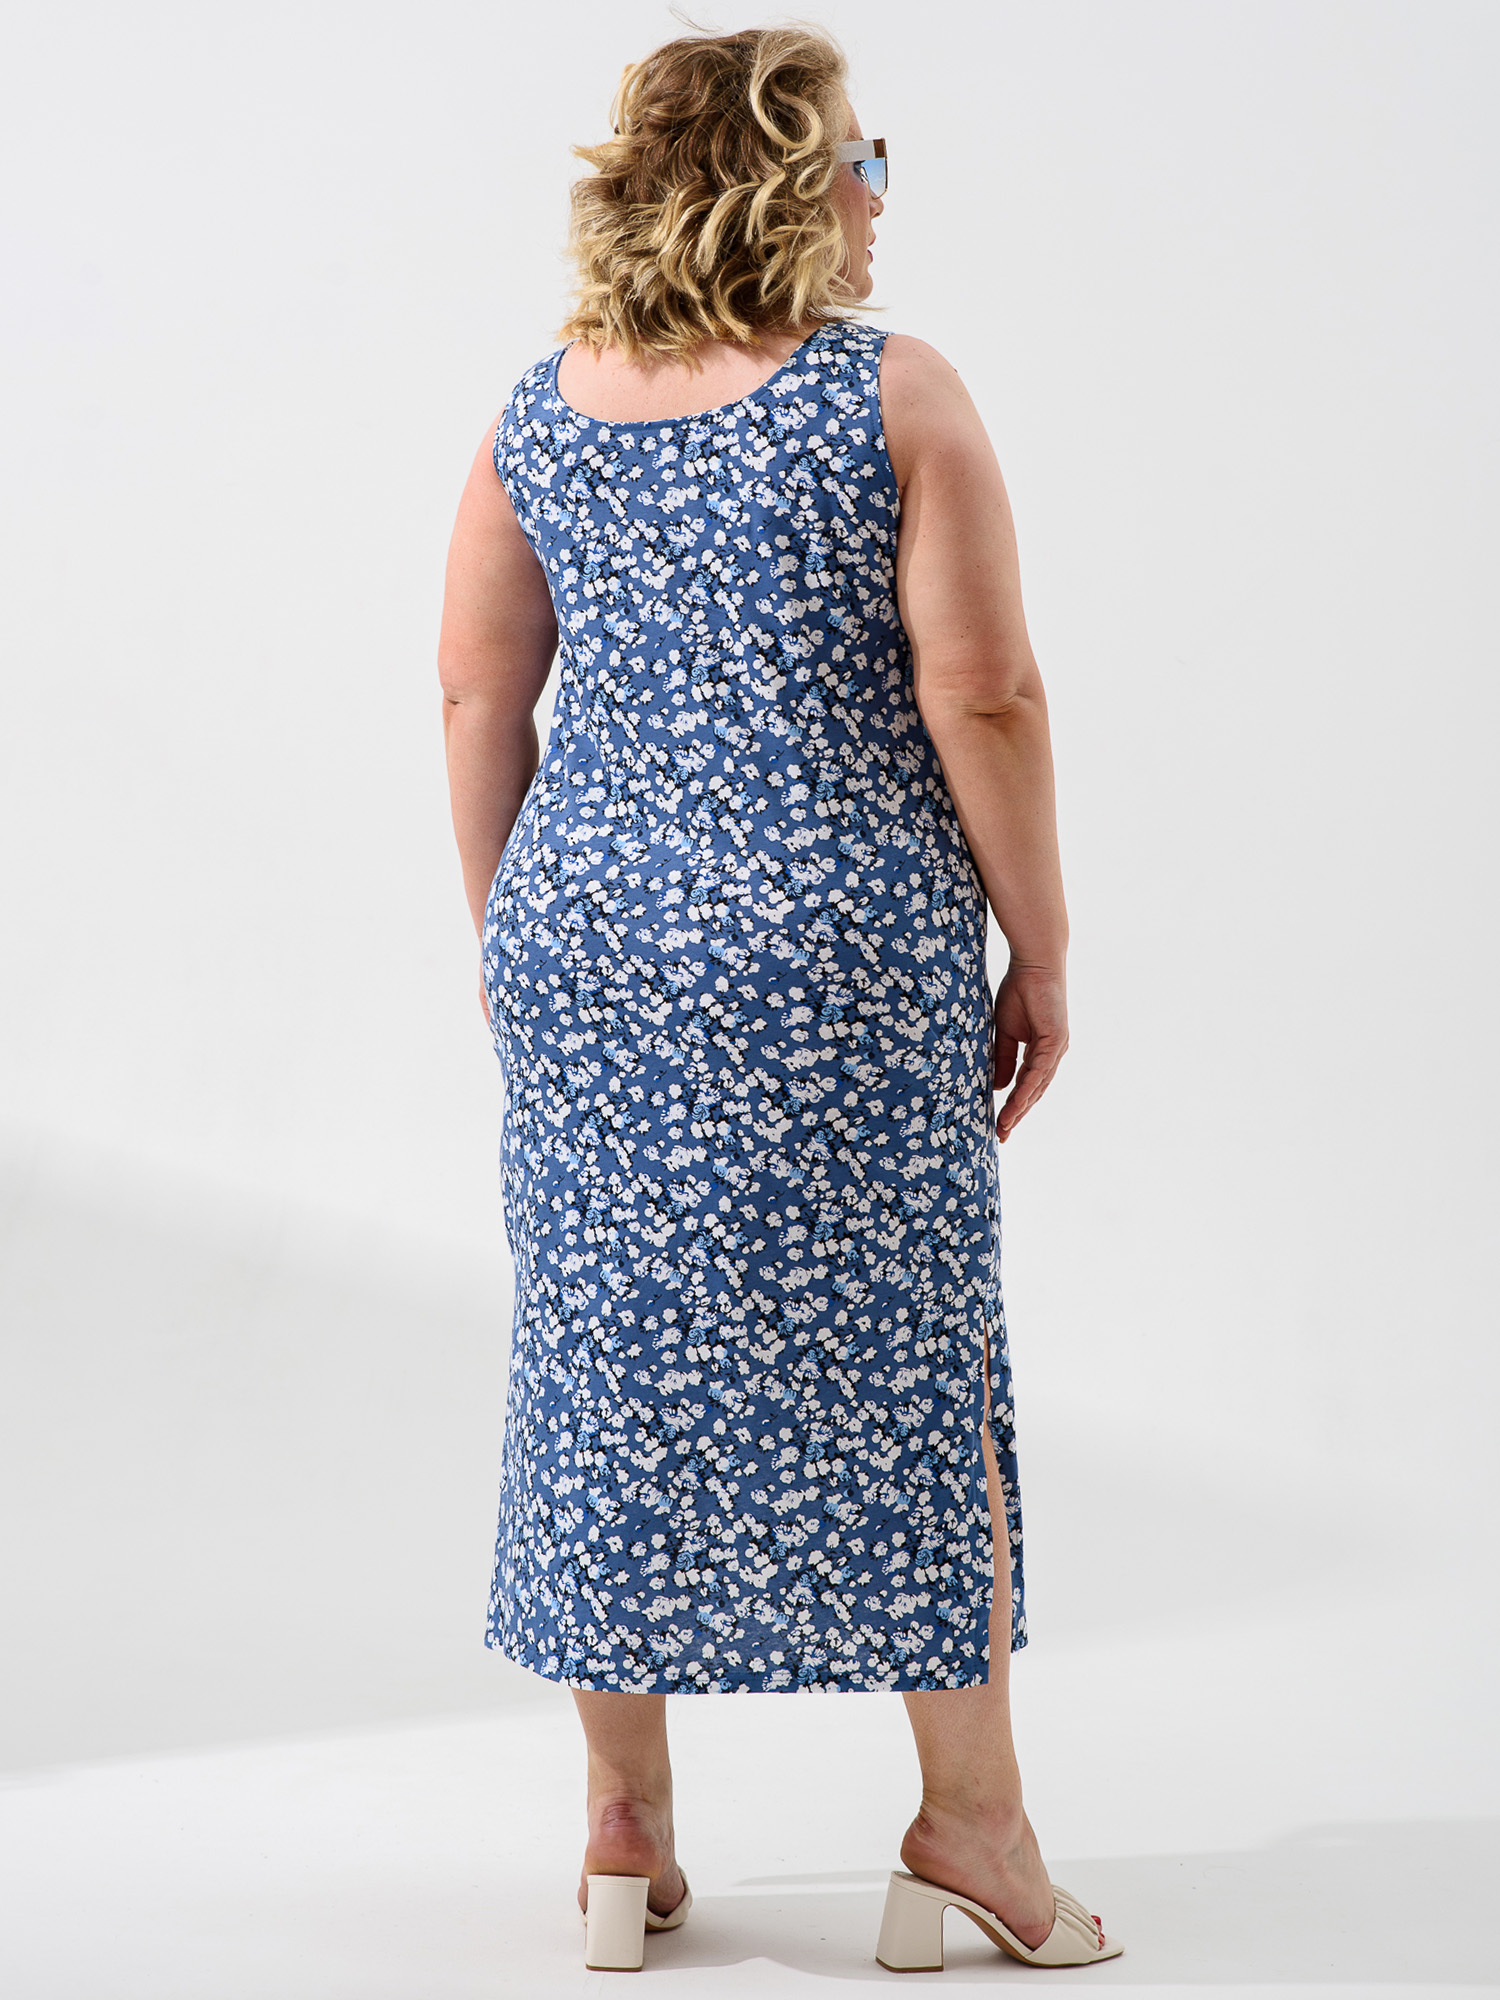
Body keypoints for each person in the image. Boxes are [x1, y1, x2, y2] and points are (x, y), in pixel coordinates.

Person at [438, 24, 1121, 1975]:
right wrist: (1042, 948)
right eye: (863, 158)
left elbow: (479, 691)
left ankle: (623, 1827)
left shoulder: (540, 410)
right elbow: (982, 692)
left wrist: (515, 933)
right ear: (791, 181)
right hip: (836, 947)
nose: (881, 196)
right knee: (907, 1347)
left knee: (608, 1345)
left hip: (590, 936)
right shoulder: (892, 393)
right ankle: (972, 1826)